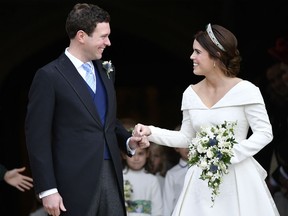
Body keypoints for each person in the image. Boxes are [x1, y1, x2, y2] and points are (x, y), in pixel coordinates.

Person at [133, 23, 280, 215]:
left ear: (216, 55)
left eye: (197, 52)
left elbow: (264, 133)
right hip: (201, 181)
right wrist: (151, 131)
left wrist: (229, 154)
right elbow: (185, 138)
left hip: (238, 178)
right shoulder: (190, 94)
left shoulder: (247, 91)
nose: (191, 57)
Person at [25, 3, 149, 216]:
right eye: (103, 36)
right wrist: (47, 189)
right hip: (72, 183)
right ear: (81, 36)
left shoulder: (106, 70)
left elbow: (106, 121)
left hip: (111, 176)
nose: (108, 42)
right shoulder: (49, 76)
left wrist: (128, 141)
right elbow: (37, 137)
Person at [122, 147, 163, 215]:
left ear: (147, 154)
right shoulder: (121, 177)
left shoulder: (152, 180)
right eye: (131, 154)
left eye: (140, 154)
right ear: (124, 155)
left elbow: (157, 209)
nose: (136, 158)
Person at [162, 147, 189, 216]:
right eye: (184, 145)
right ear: (176, 148)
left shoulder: (203, 171)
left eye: (190, 144)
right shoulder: (172, 173)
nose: (188, 148)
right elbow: (167, 203)